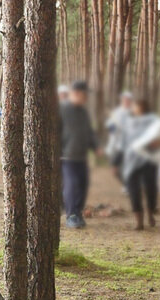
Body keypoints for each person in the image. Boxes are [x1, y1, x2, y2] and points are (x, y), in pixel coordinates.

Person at [114, 98, 160, 230]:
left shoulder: (153, 122)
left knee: (150, 189)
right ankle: (139, 222)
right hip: (131, 162)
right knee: (134, 191)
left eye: (137, 106)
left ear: (144, 107)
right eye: (134, 106)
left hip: (149, 160)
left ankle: (150, 213)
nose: (135, 108)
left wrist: (155, 145)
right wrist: (116, 162)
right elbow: (122, 143)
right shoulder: (128, 123)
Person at [60, 81, 100, 229]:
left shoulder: (83, 112)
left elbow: (89, 132)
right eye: (84, 95)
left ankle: (77, 213)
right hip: (66, 157)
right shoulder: (62, 109)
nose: (86, 98)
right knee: (72, 184)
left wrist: (96, 146)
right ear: (76, 93)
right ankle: (71, 215)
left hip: (81, 157)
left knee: (83, 185)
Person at [105, 91, 134, 183]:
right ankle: (126, 184)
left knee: (129, 166)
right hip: (118, 144)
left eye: (128, 99)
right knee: (114, 168)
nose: (126, 101)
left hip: (131, 144)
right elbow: (110, 125)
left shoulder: (134, 112)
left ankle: (129, 185)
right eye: (124, 99)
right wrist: (113, 128)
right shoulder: (116, 112)